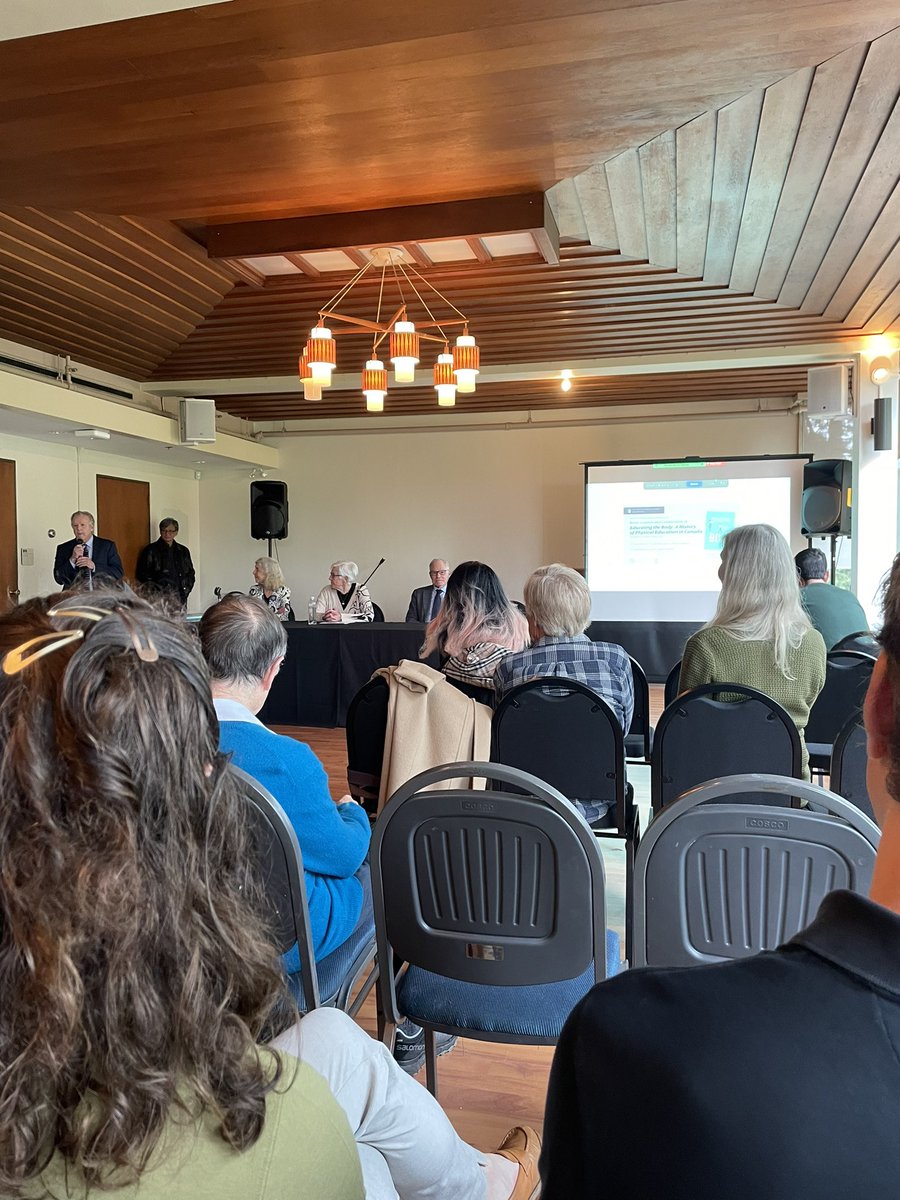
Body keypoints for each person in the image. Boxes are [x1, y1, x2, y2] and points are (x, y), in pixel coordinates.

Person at [0, 592, 540, 1200]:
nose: (213, 771)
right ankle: (483, 1175)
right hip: (260, 1003)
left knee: (337, 1042)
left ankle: (483, 1181)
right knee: (369, 1161)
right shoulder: (278, 1136)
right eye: (195, 762)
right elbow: (340, 851)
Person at [540, 553, 900, 1199]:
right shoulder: (810, 643)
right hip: (790, 814)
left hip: (699, 819)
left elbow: (684, 723)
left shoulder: (628, 1039)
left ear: (880, 702)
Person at [198, 594, 371, 964]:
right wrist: (353, 814)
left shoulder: (155, 739)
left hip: (186, 927)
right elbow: (343, 858)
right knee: (365, 871)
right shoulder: (288, 761)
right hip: (269, 942)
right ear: (272, 670)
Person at [678, 524, 826, 778]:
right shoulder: (813, 643)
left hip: (714, 790)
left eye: (724, 561)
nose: (719, 571)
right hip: (790, 790)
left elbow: (683, 726)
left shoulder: (706, 645)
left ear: (736, 574)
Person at [420, 561, 529, 696]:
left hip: (461, 707)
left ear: (453, 597)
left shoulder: (446, 631)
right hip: (506, 709)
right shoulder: (520, 628)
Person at [795, 546, 869, 649]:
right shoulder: (850, 596)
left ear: (798, 579)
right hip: (868, 660)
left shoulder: (797, 599)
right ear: (826, 575)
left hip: (830, 663)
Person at [52, 509, 124, 588]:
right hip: (73, 596)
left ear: (91, 527)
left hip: (101, 595)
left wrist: (94, 567)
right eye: (75, 526)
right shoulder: (63, 548)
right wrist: (72, 560)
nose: (79, 529)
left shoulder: (107, 546)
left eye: (82, 525)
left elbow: (118, 573)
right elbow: (58, 579)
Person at [136, 516, 195, 606]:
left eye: (171, 531)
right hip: (158, 599)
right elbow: (142, 575)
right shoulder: (150, 550)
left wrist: (185, 590)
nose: (167, 534)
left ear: (176, 532)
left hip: (180, 597)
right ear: (160, 531)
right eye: (164, 530)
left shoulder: (183, 550)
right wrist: (155, 593)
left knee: (179, 620)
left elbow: (190, 573)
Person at [249, 555, 292, 621]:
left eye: (257, 569)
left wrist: (262, 617)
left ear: (268, 573)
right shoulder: (254, 590)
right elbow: (251, 614)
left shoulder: (283, 591)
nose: (253, 572)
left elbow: (283, 614)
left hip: (279, 629)